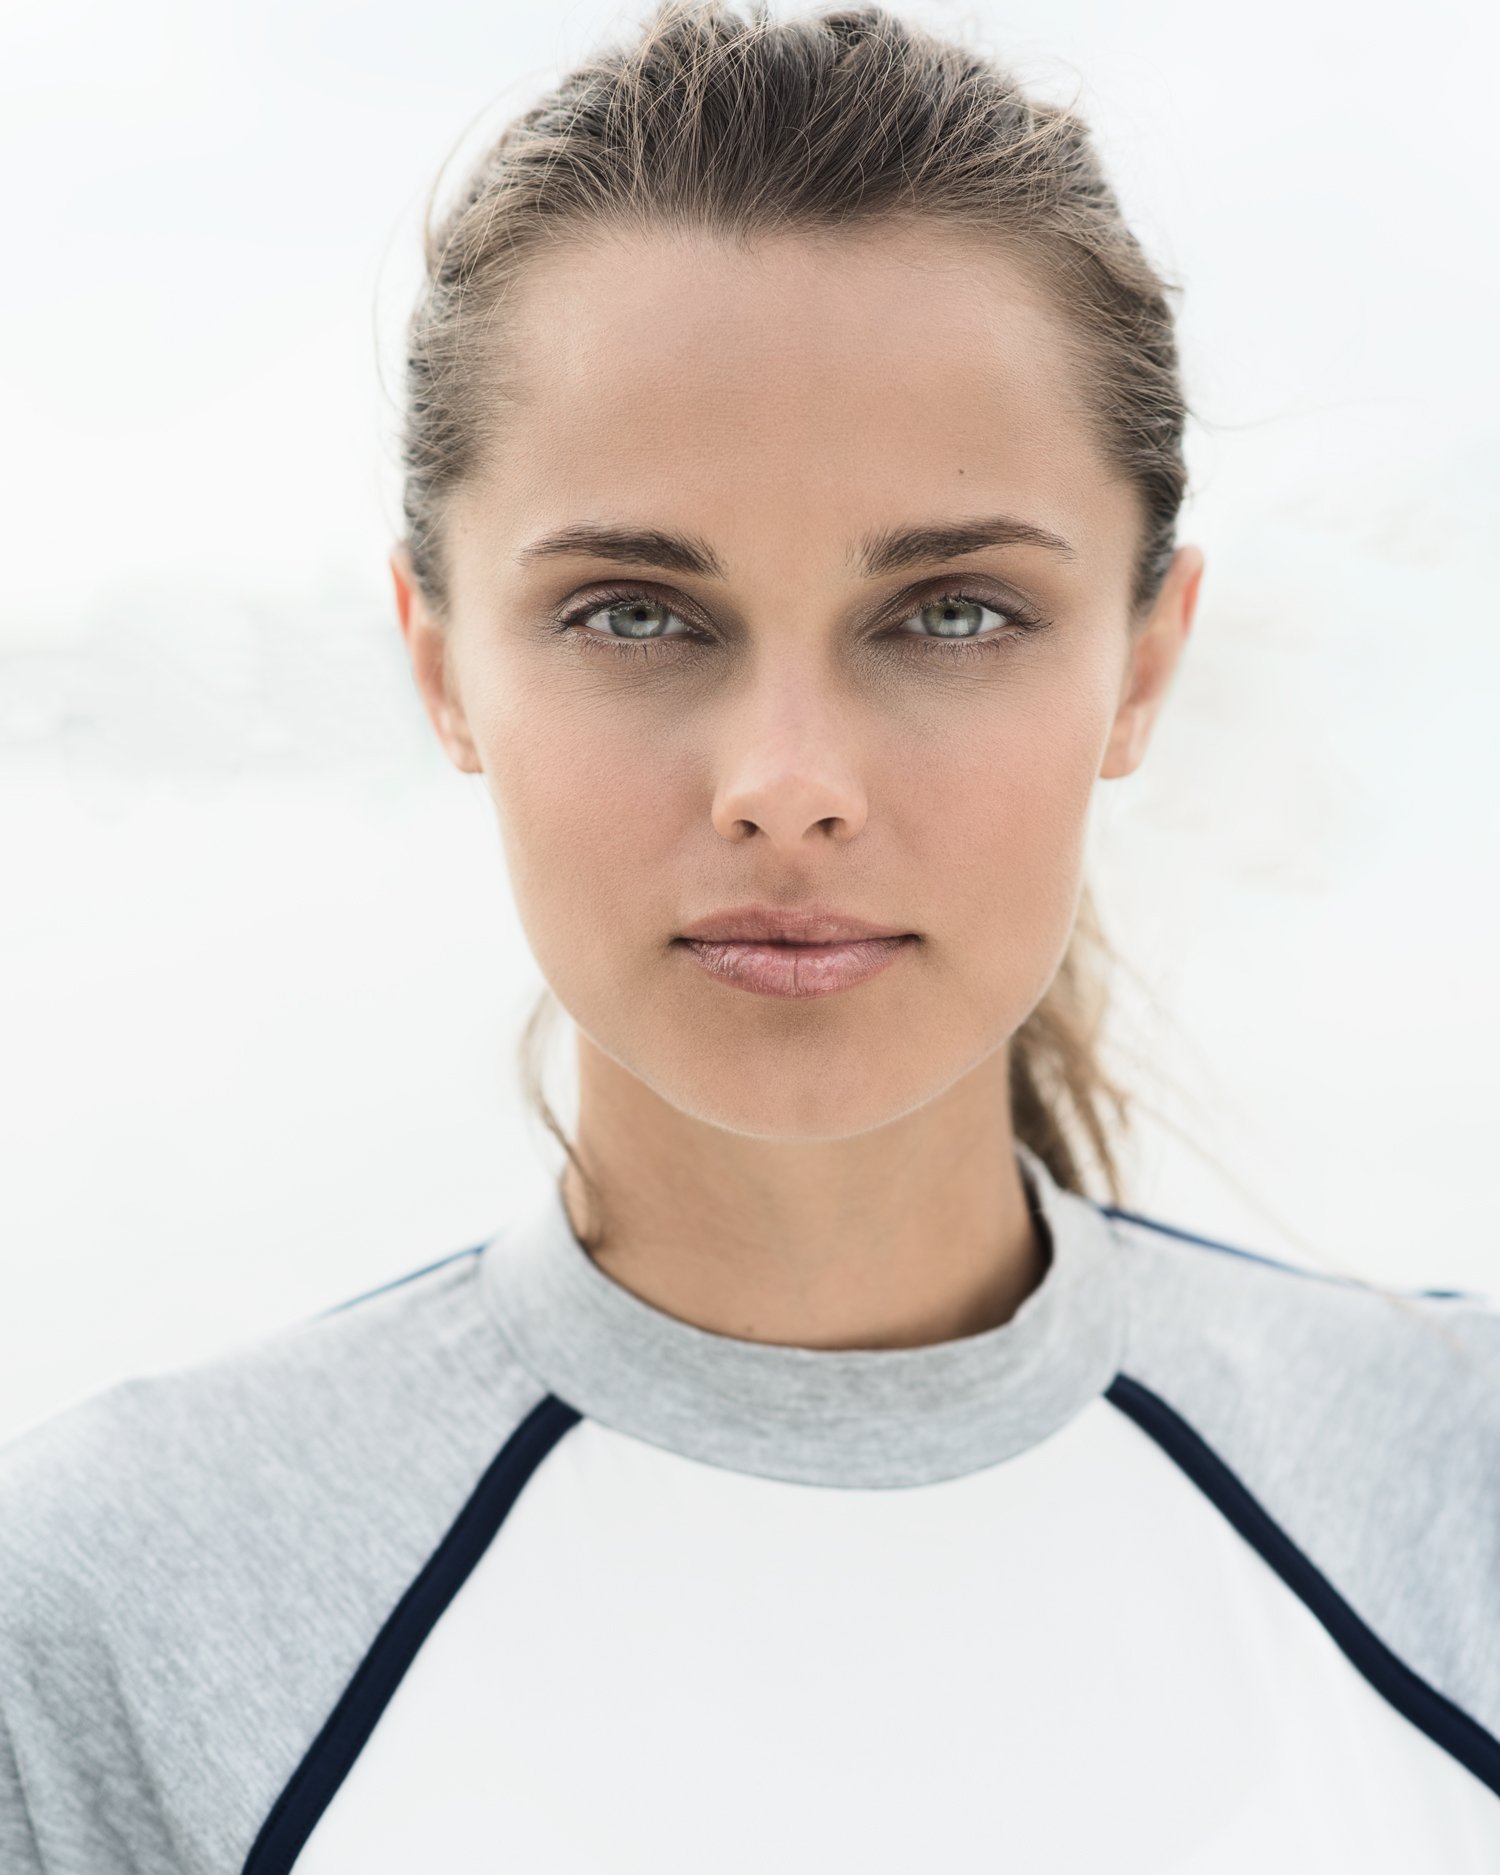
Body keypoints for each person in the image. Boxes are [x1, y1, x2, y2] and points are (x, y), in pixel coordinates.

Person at [3, 2, 1497, 1868]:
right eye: (635, 615)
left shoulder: (1458, 1490)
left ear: (1145, 665)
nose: (788, 786)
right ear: (439, 666)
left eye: (953, 614)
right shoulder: (113, 1615)